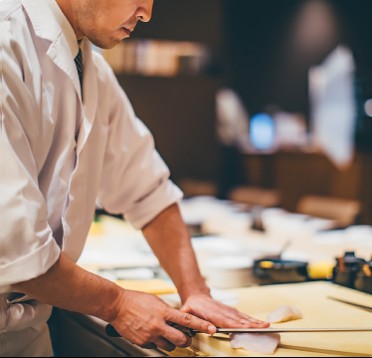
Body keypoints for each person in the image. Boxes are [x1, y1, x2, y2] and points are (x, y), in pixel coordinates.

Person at [0, 0, 269, 356]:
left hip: (26, 331)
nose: (147, 12)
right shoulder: (7, 39)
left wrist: (196, 292)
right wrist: (117, 304)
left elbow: (148, 190)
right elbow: (15, 247)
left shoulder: (87, 63)